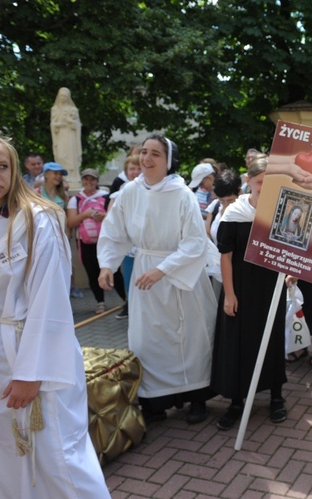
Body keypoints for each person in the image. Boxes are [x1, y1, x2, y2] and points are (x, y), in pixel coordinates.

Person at [0, 131, 109, 498]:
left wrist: (31, 373)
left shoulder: (38, 221)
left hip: (32, 355)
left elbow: (51, 301)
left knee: (58, 458)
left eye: (3, 166)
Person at [98, 134, 217, 425]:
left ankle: (197, 398)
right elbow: (114, 231)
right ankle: (154, 402)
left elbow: (194, 242)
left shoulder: (182, 194)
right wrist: (106, 265)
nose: (146, 159)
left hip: (179, 273)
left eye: (155, 154)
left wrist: (163, 269)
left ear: (169, 161)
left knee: (188, 338)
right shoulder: (129, 191)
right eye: (144, 153)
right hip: (143, 272)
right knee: (147, 338)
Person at [211, 156, 289, 429]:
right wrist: (229, 294)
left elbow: (292, 251)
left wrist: (291, 271)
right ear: (249, 182)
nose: (264, 188)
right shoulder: (234, 214)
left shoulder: (283, 213)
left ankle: (276, 397)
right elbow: (226, 256)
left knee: (272, 340)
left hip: (271, 288)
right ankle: (236, 401)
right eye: (259, 182)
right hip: (240, 288)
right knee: (238, 343)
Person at [67, 168, 126, 314]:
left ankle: (126, 299)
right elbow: (71, 221)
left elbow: (115, 216)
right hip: (86, 243)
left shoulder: (106, 197)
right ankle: (100, 302)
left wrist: (103, 215)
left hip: (105, 240)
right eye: (86, 179)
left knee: (115, 271)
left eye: (92, 179)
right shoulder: (76, 200)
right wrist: (86, 214)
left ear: (97, 181)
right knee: (92, 273)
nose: (89, 182)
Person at [108, 153, 142, 320]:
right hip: (129, 247)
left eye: (138, 168)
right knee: (129, 282)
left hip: (146, 248)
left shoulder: (150, 190)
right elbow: (111, 219)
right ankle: (132, 312)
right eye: (131, 168)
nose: (135, 171)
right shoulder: (120, 193)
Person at [50, 87, 82, 178]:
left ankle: (72, 177)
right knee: (61, 156)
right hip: (60, 135)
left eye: (65, 96)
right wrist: (59, 124)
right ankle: (62, 176)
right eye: (61, 96)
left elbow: (77, 125)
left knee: (72, 157)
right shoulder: (55, 109)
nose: (63, 98)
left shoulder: (73, 110)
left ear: (68, 97)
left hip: (70, 135)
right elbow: (53, 124)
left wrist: (70, 122)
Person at [205, 169, 242, 244]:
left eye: (230, 201)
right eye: (222, 200)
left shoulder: (246, 211)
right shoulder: (215, 206)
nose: (226, 205)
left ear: (239, 193)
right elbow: (207, 233)